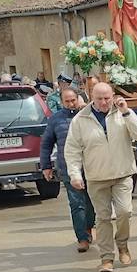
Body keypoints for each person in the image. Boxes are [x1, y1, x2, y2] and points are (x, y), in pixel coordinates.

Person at [64, 81, 137, 272]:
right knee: (102, 218)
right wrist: (75, 174)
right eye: (99, 99)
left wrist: (127, 113)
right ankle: (107, 258)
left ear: (113, 96)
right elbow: (72, 150)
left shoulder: (122, 113)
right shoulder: (80, 119)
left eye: (107, 98)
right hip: (96, 177)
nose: (104, 102)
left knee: (125, 212)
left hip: (122, 174)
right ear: (90, 98)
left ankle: (123, 245)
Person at [40, 86, 97, 252]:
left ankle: (88, 227)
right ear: (61, 101)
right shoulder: (55, 119)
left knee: (91, 202)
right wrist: (46, 166)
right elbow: (46, 144)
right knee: (76, 203)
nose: (71, 104)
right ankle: (82, 238)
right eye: (67, 101)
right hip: (68, 168)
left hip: (92, 166)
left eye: (73, 100)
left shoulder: (88, 115)